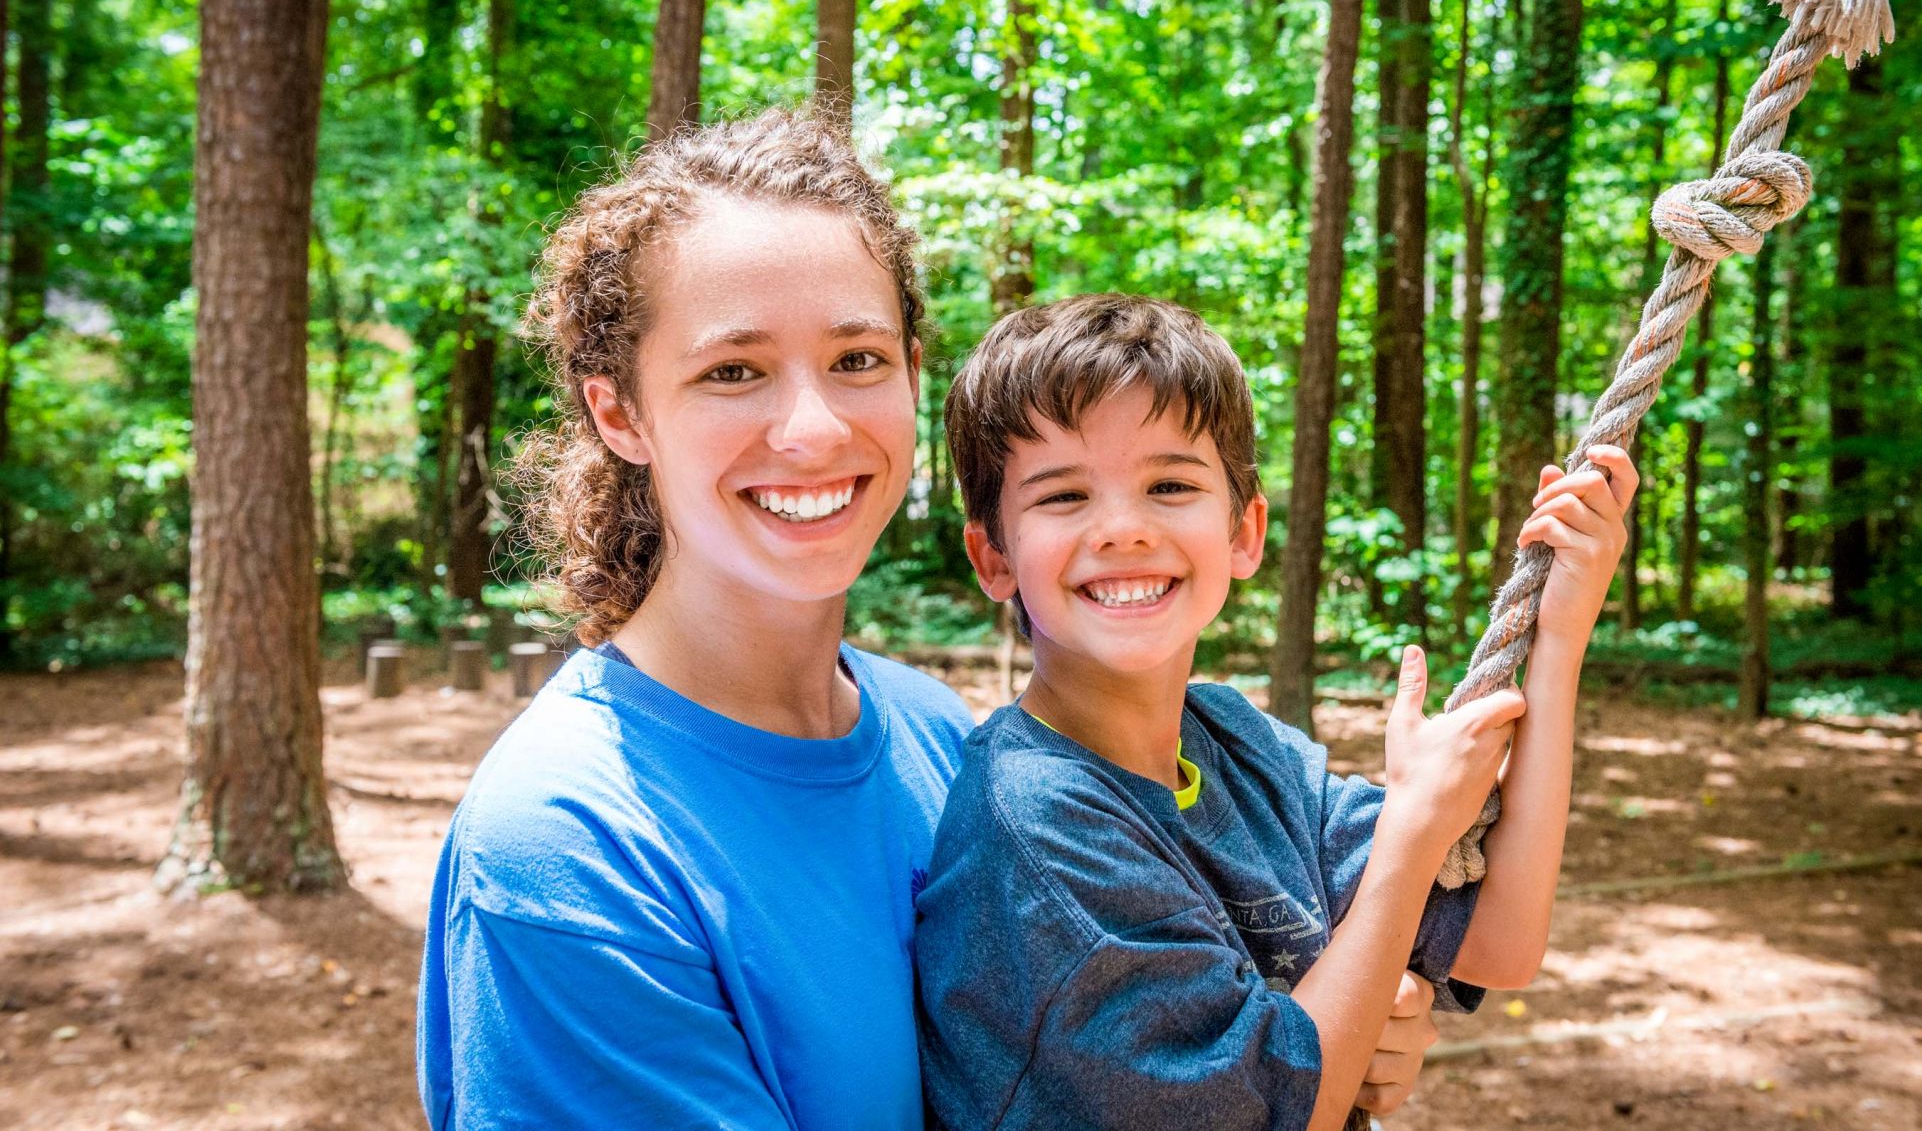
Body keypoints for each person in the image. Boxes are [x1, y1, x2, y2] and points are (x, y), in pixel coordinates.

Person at [414, 113, 1442, 1130]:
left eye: (856, 359)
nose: (813, 428)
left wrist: (1326, 1027)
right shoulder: (567, 851)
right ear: (620, 413)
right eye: (733, 370)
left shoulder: (941, 738)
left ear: (912, 372)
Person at [915, 294, 1637, 1130]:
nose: (1123, 529)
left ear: (1244, 533)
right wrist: (1409, 835)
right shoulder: (1036, 822)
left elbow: (1498, 941)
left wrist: (1560, 636)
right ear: (992, 557)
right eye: (1064, 497)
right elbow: (1273, 1114)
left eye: (1171, 484)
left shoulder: (1241, 748)